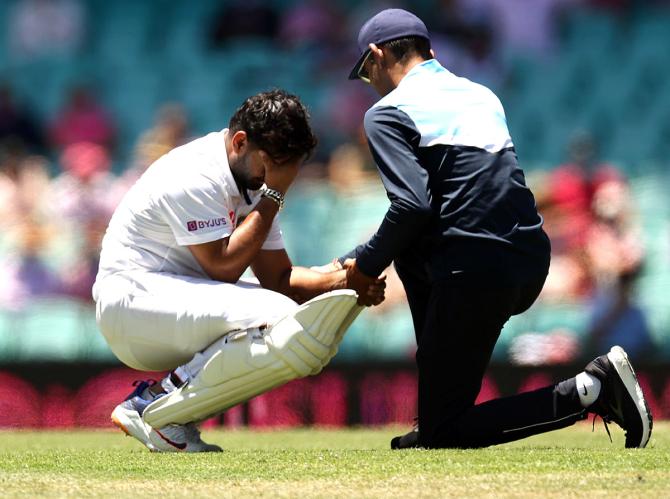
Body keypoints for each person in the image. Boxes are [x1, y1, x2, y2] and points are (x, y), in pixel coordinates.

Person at [340, 8, 652, 449]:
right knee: (415, 255)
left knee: (445, 433)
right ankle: (433, 416)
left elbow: (411, 206)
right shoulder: (480, 94)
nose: (369, 82)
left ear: (376, 55)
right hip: (526, 259)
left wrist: (364, 265)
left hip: (472, 265)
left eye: (365, 71)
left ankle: (593, 389)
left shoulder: (386, 113)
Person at [92, 90, 385, 452]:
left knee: (295, 327)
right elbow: (223, 268)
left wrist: (346, 280)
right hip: (130, 306)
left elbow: (279, 280)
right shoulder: (196, 174)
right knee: (278, 316)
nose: (276, 178)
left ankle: (169, 416)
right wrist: (274, 194)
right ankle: (153, 403)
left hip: (166, 302)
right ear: (241, 141)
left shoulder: (251, 181)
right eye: (274, 165)